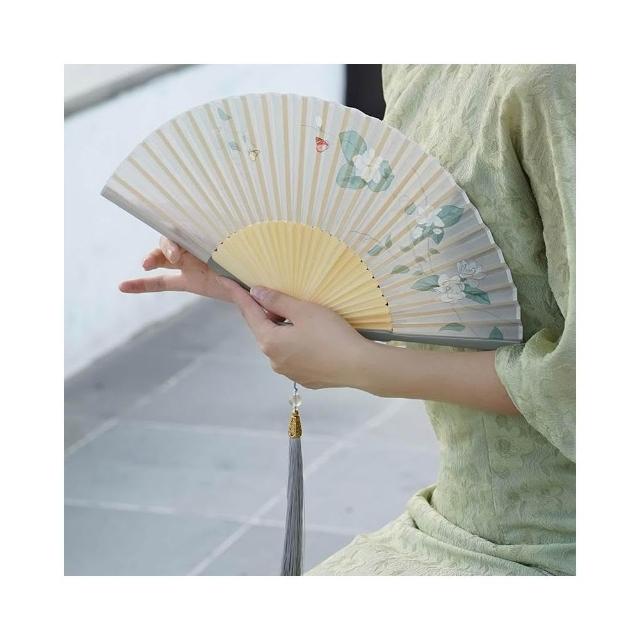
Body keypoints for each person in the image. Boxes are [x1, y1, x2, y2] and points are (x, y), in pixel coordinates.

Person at [120, 64, 575, 576]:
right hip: (456, 513)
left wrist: (363, 366)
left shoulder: (555, 79)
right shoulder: (412, 63)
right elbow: (429, 278)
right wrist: (253, 279)